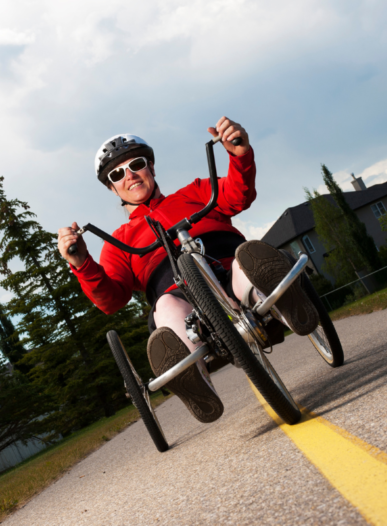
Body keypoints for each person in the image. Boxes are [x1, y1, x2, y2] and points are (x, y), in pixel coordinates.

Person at [57, 116, 318, 424]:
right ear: (112, 188)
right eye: (117, 174)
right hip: (182, 301)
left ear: (151, 167)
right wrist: (81, 263)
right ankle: (194, 380)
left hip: (228, 268)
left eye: (136, 164)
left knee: (245, 259)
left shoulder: (193, 193)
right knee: (166, 306)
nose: (130, 175)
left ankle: (287, 304)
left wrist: (239, 154)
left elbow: (239, 194)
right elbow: (111, 300)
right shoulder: (118, 242)